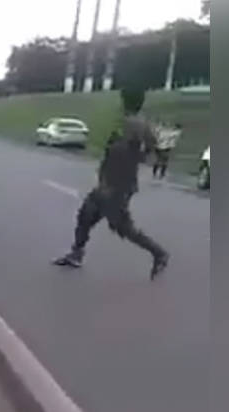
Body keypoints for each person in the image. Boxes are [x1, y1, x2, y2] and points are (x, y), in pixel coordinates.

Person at [53, 87, 169, 279]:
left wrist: (134, 155)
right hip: (109, 182)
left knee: (123, 227)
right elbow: (150, 151)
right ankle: (76, 254)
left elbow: (147, 152)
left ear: (126, 101)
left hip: (117, 186)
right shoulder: (133, 124)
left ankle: (159, 253)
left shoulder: (134, 125)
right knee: (85, 216)